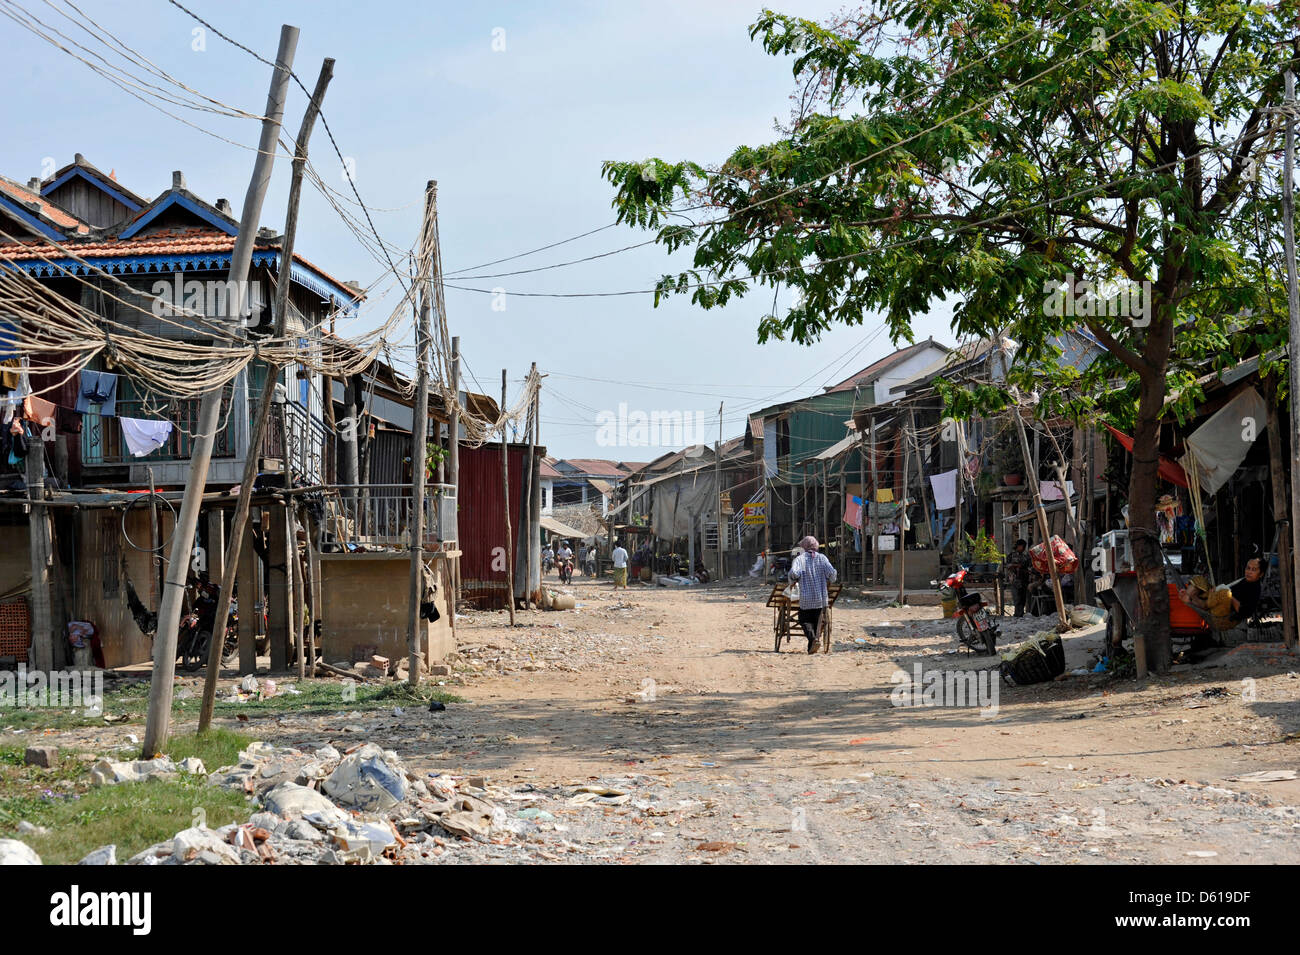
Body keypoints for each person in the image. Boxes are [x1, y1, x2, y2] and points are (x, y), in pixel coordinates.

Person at [1179, 558, 1263, 629]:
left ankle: (1196, 601)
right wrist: (1217, 590)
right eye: (1248, 568)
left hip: (1224, 617)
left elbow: (1244, 612)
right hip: (1215, 601)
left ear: (1261, 574)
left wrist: (1230, 596)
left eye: (1254, 570)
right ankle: (1188, 597)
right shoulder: (1243, 580)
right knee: (1199, 579)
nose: (1249, 572)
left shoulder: (1255, 589)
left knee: (1225, 593)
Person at [787, 535, 838, 654]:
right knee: (817, 622)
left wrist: (794, 579)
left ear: (804, 546)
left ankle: (813, 640)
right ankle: (814, 643)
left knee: (804, 619)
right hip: (821, 598)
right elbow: (832, 574)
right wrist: (829, 579)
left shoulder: (801, 559)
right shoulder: (822, 558)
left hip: (806, 598)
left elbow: (794, 573)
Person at [1006, 538, 1031, 618]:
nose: (1023, 548)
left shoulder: (1026, 556)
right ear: (1018, 546)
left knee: (1023, 597)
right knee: (1016, 597)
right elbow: (1008, 566)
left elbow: (1029, 566)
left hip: (1024, 578)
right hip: (1014, 579)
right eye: (1022, 546)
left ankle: (1020, 613)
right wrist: (1015, 566)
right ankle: (1017, 614)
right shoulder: (1011, 555)